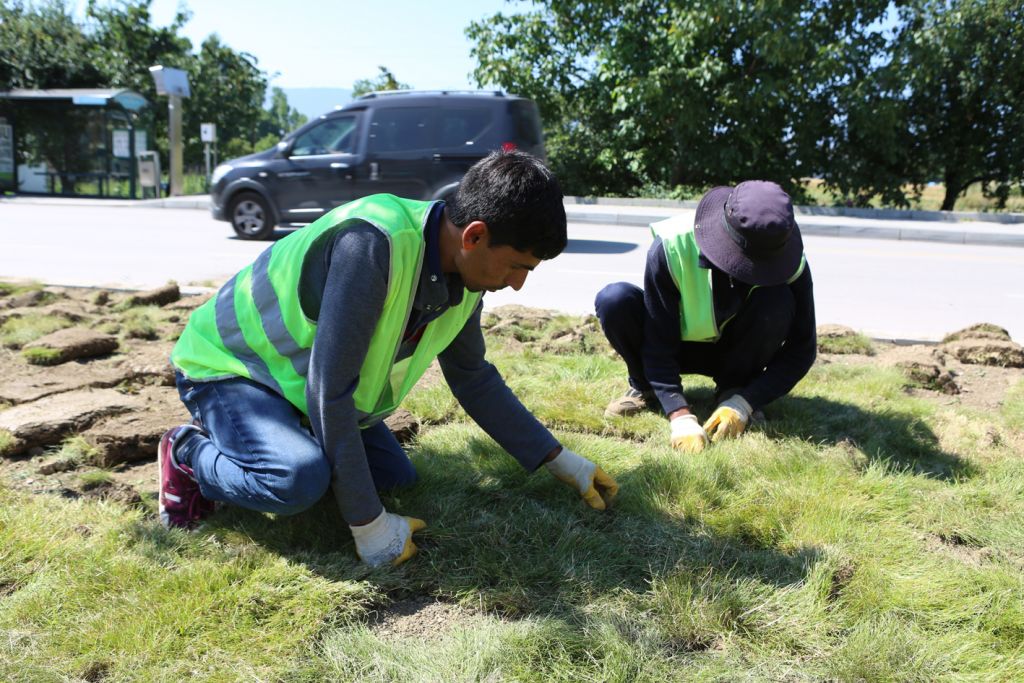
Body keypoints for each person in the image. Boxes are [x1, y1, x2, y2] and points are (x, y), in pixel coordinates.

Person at [158, 150, 618, 567]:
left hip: (298, 388)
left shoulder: (465, 278)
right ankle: (186, 454)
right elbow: (330, 388)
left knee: (394, 477)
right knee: (297, 479)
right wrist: (369, 527)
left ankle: (284, 439)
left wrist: (558, 459)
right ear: (475, 236)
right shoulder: (372, 245)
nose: (518, 284)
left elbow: (473, 377)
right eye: (519, 266)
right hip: (231, 370)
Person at [594, 181, 816, 452]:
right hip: (675, 345)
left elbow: (802, 350)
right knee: (615, 300)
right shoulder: (672, 245)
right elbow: (657, 339)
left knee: (778, 301)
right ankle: (646, 387)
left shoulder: (789, 261)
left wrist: (746, 401)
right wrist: (679, 414)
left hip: (736, 353)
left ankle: (732, 389)